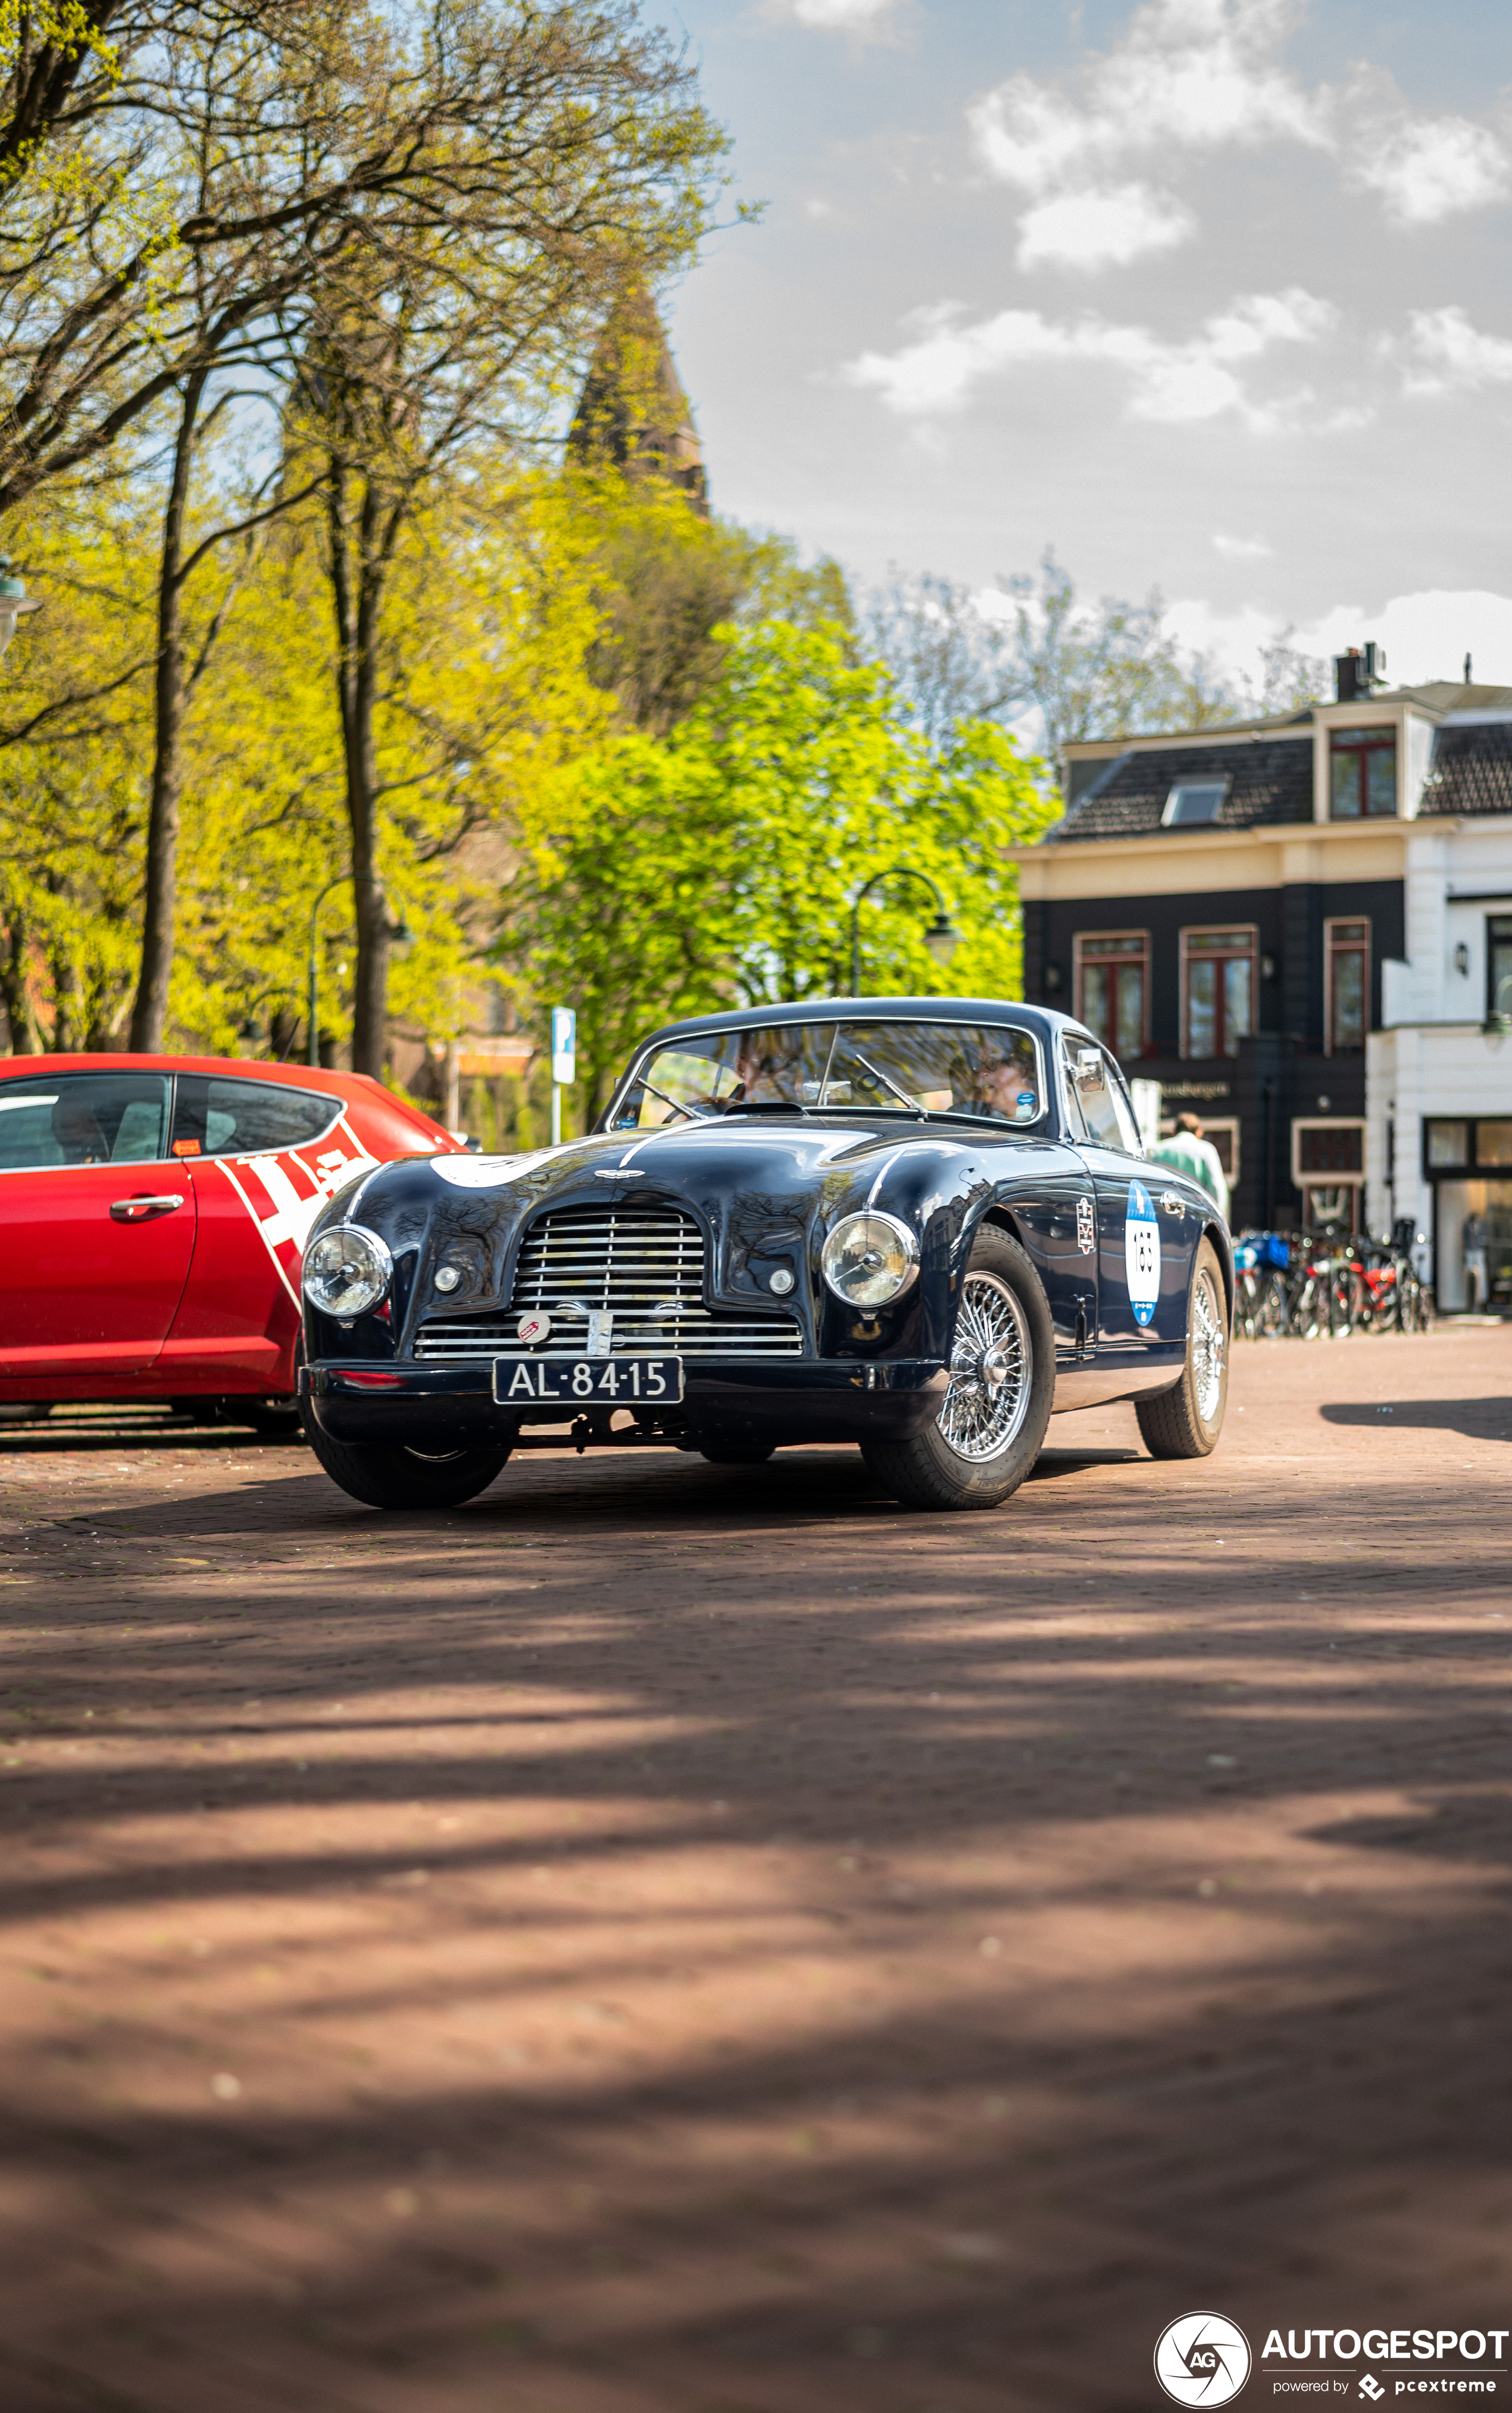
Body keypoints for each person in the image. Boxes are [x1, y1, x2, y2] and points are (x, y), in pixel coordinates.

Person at [1150, 1110, 1230, 1220]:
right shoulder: (1206, 1150)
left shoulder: (1159, 1150)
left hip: (1165, 1214)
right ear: (1199, 1132)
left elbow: (1152, 1183)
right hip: (1197, 1215)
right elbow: (1217, 1187)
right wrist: (1218, 1215)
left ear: (1174, 1132)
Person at [1462, 1208, 1489, 1310]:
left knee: (1481, 1275)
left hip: (1479, 1251)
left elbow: (1484, 1237)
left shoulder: (1482, 1224)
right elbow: (1463, 1238)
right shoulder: (1466, 1224)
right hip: (1470, 1251)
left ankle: (1481, 1299)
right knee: (1469, 1274)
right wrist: (1463, 1252)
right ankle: (1470, 1301)